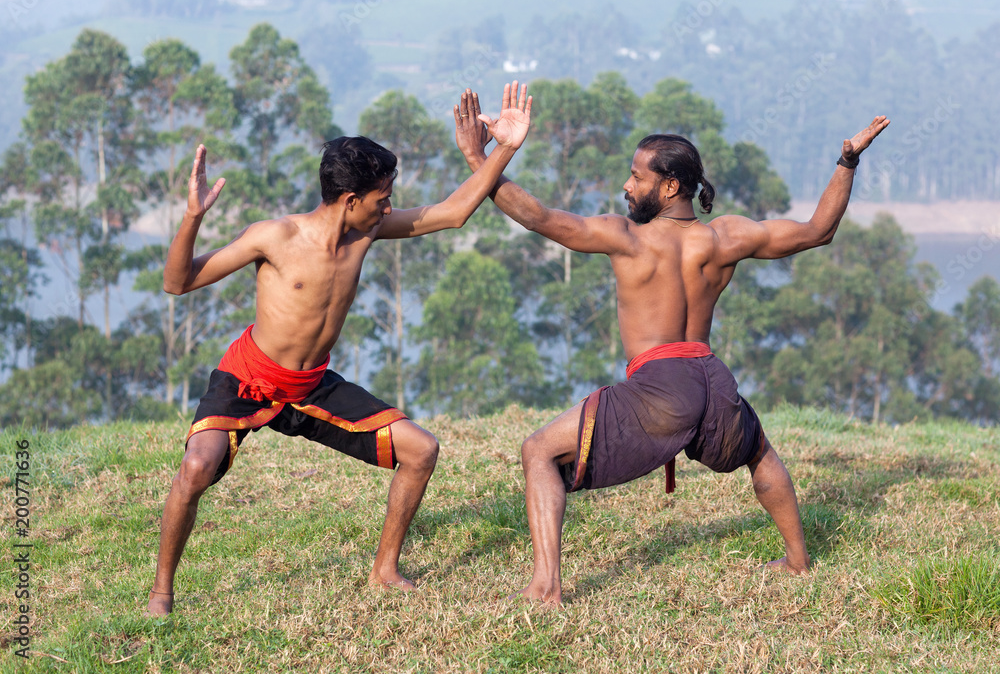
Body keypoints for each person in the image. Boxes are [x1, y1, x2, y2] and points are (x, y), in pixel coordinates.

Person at [454, 88, 889, 604]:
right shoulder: (725, 237)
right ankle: (797, 561)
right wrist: (846, 162)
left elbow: (539, 217)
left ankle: (546, 586)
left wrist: (479, 158)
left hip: (662, 384)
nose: (626, 185)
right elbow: (819, 230)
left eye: (636, 177)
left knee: (539, 451)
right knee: (760, 452)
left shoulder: (627, 237)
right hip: (711, 376)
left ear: (670, 186)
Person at [147, 83, 533, 616]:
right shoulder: (274, 237)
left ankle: (384, 569)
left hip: (311, 386)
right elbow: (177, 282)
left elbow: (452, 212)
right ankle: (161, 591)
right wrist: (192, 218)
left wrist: (506, 148)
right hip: (248, 378)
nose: (389, 205)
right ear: (351, 200)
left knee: (422, 450)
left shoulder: (366, 233)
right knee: (195, 467)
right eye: (382, 197)